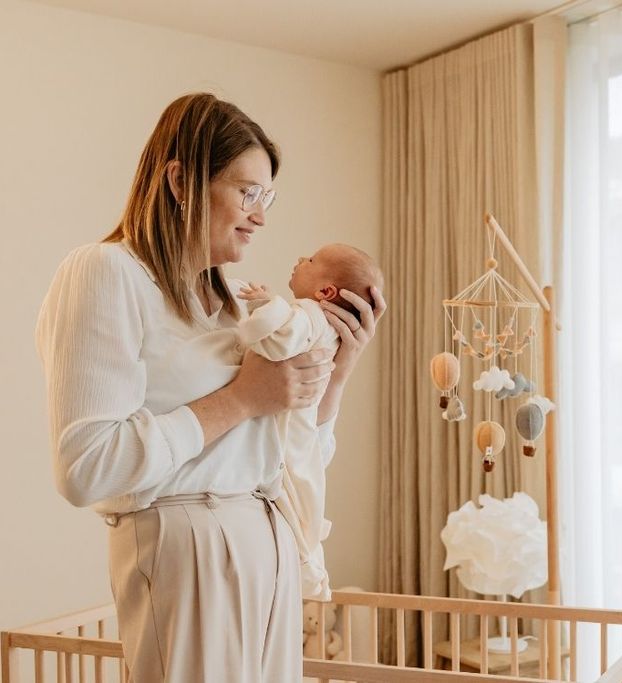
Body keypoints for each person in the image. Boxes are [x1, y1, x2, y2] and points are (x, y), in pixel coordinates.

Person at [35, 93, 386, 682]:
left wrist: (338, 370)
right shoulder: (105, 271)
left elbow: (289, 455)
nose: (261, 216)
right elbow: (85, 466)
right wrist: (242, 398)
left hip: (268, 544)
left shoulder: (232, 303)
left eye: (266, 197)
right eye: (248, 192)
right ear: (180, 180)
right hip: (187, 554)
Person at [235, 244, 384, 602]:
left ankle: (308, 559)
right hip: (251, 501)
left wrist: (340, 373)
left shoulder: (306, 316)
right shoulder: (310, 319)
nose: (301, 259)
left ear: (327, 292)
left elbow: (280, 336)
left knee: (302, 492)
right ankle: (309, 559)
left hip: (281, 458)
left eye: (312, 260)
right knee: (304, 497)